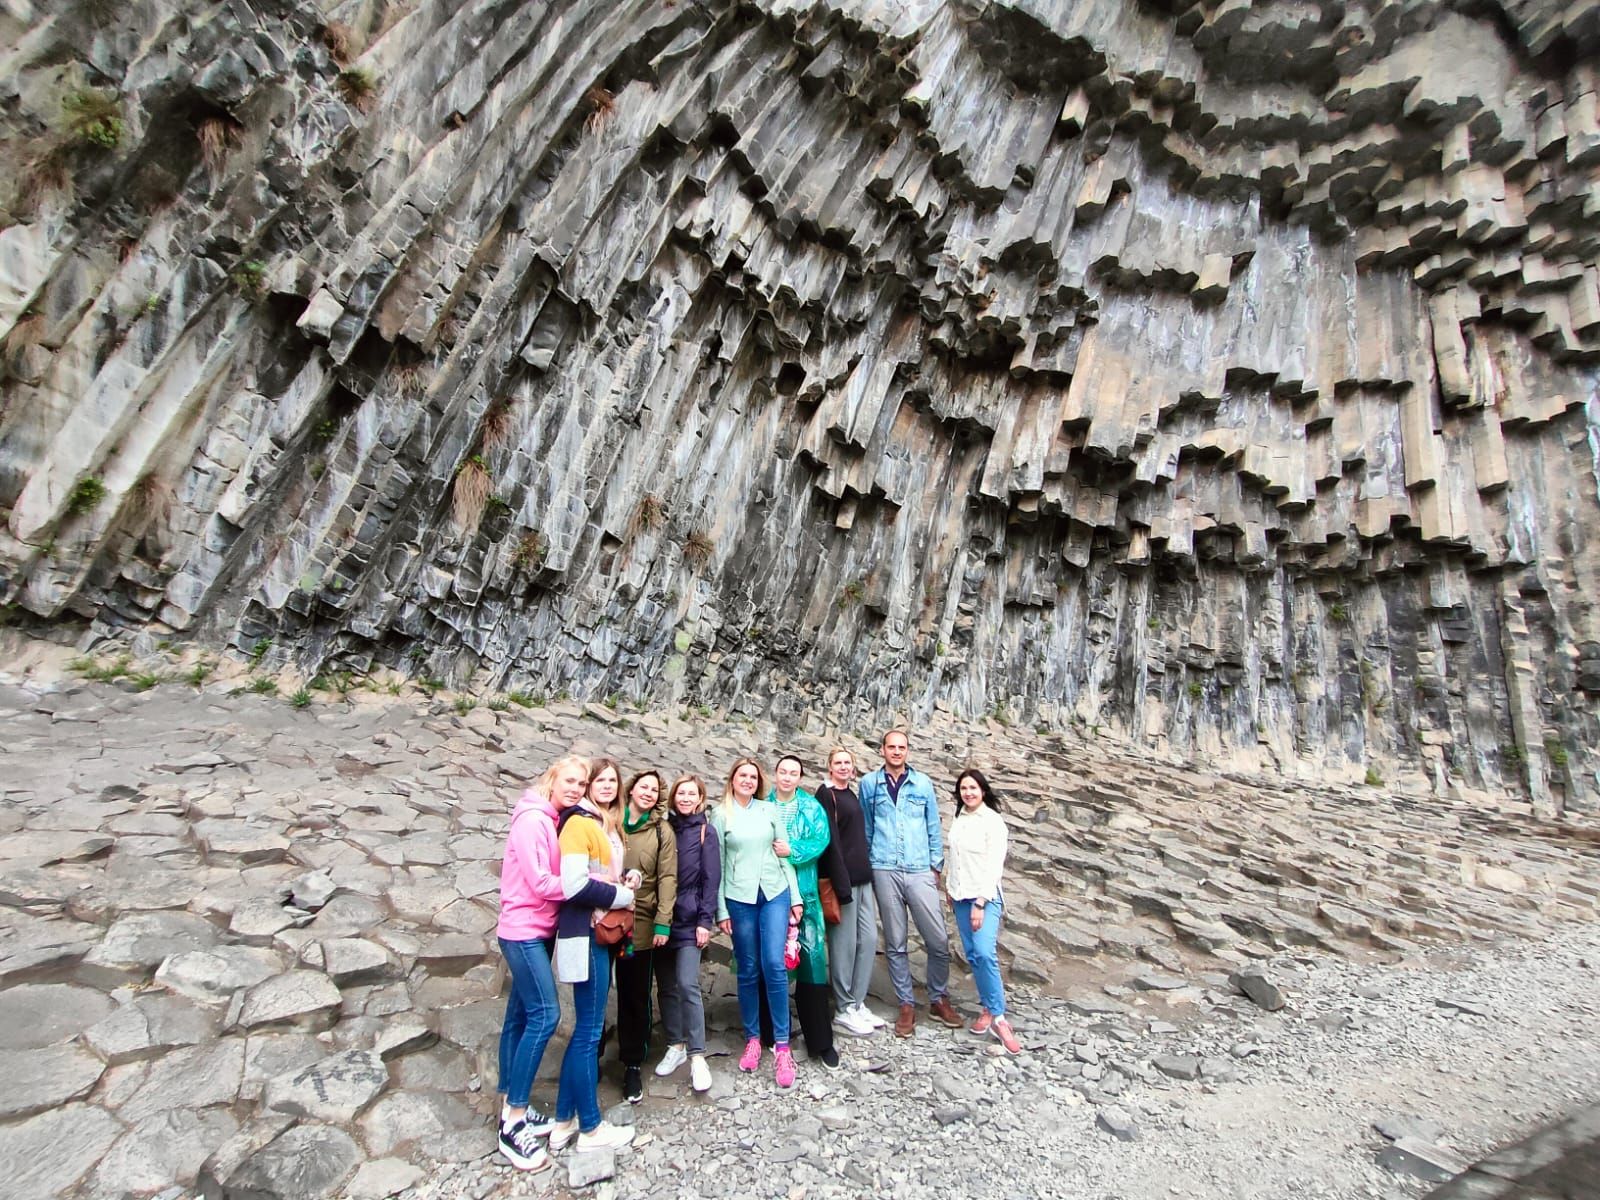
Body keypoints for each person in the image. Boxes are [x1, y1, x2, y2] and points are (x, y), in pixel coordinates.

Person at [494, 755, 585, 1172]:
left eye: (581, 784)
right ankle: (513, 1121)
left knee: (519, 1017)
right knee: (546, 1015)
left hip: (537, 929)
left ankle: (511, 1101)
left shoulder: (549, 818)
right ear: (552, 778)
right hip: (523, 930)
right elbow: (540, 882)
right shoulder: (533, 821)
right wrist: (590, 888)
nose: (576, 789)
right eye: (570, 781)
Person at [547, 759, 638, 1153]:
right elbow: (574, 885)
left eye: (610, 781)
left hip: (592, 933)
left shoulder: (603, 825)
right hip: (585, 934)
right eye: (595, 781)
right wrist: (622, 895)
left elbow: (598, 874)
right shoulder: (580, 824)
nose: (603, 786)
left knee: (586, 1029)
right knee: (588, 1032)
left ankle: (562, 1122)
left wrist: (625, 879)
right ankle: (591, 1129)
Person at [858, 728, 962, 1037]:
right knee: (895, 941)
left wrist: (935, 866)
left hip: (919, 869)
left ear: (908, 751)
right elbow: (866, 826)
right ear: (882, 751)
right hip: (884, 867)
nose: (896, 751)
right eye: (891, 747)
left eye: (901, 747)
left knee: (939, 940)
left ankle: (938, 997)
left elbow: (933, 824)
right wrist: (868, 865)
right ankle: (906, 1003)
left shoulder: (923, 784)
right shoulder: (869, 784)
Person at [714, 757, 802, 1088]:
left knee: (774, 964)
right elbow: (718, 865)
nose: (748, 780)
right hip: (739, 897)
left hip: (774, 891)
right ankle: (752, 1038)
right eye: (742, 775)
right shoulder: (721, 814)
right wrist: (721, 910)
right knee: (748, 967)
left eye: (753, 776)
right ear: (732, 779)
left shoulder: (769, 811)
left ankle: (782, 1045)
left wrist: (795, 897)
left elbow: (784, 855)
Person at [760, 754, 838, 1068]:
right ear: (775, 774)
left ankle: (820, 1039)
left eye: (794, 772)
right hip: (768, 892)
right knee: (771, 961)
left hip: (805, 894)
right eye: (783, 771)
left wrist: (793, 850)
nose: (788, 777)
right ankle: (770, 1033)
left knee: (812, 964)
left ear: (800, 777)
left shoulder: (810, 807)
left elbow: (821, 838)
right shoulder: (762, 805)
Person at [944, 769, 1020, 1053]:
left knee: (985, 952)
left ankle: (999, 1016)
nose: (968, 793)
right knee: (974, 955)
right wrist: (949, 888)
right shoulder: (959, 818)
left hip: (983, 898)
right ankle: (988, 1007)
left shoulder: (993, 822)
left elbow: (993, 867)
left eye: (973, 788)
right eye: (964, 789)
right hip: (960, 896)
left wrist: (980, 903)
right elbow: (956, 856)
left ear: (983, 791)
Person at [653, 775, 720, 1093]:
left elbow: (711, 879)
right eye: (680, 793)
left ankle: (697, 1054)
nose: (685, 798)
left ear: (700, 797)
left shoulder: (706, 832)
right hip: (661, 918)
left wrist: (705, 921)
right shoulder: (663, 828)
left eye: (691, 794)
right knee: (665, 986)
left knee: (687, 983)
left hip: (691, 918)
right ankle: (675, 1044)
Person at [614, 769, 677, 1104]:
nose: (648, 793)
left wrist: (663, 922)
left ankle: (632, 1063)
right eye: (644, 787)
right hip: (602, 917)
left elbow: (668, 877)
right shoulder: (610, 819)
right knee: (594, 991)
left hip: (640, 921)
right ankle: (588, 1055)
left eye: (654, 790)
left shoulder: (662, 831)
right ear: (632, 788)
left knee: (635, 994)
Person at [815, 747, 883, 1037]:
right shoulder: (825, 795)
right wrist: (841, 886)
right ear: (829, 767)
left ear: (853, 769)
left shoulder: (850, 793)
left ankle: (857, 1001)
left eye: (848, 763)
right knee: (843, 945)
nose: (843, 767)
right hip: (843, 881)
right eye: (838, 763)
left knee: (868, 940)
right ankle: (843, 1008)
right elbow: (831, 842)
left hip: (863, 878)